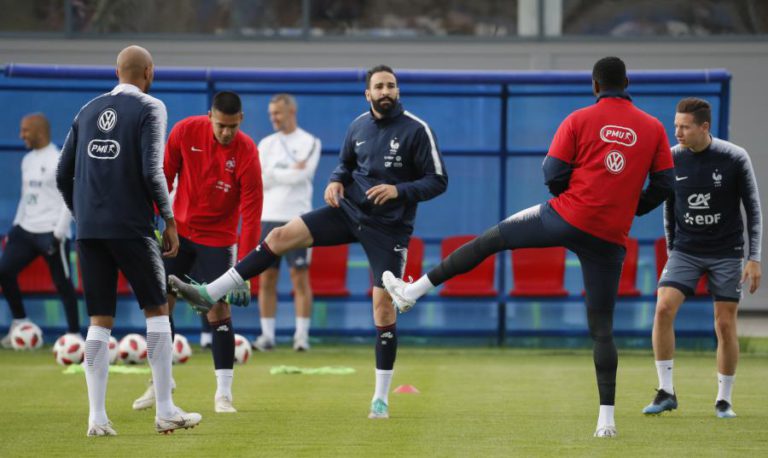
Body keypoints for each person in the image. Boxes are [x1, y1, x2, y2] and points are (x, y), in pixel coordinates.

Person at [382, 56, 675, 438]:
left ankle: (412, 292)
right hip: (610, 236)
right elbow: (666, 184)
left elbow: (551, 171)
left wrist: (566, 198)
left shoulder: (578, 119)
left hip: (564, 215)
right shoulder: (653, 128)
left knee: (489, 241)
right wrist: (633, 208)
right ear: (627, 82)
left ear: (595, 85)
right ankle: (606, 422)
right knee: (602, 330)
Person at [169, 64, 448, 420]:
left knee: (383, 307)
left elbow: (438, 180)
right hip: (347, 213)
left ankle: (380, 399)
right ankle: (212, 291)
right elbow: (344, 167)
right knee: (280, 236)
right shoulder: (358, 126)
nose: (386, 91)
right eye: (379, 86)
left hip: (388, 229)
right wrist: (334, 182)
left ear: (397, 91)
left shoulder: (417, 130)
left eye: (391, 86)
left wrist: (398, 189)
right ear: (368, 93)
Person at [56, 45, 201, 436]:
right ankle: (166, 410)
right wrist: (168, 219)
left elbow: (62, 174)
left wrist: (82, 215)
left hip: (89, 231)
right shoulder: (151, 108)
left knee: (99, 323)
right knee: (156, 312)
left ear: (116, 71)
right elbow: (153, 171)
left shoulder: (86, 110)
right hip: (133, 228)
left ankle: (97, 418)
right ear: (149, 72)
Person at [132, 91, 263, 414]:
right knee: (160, 307)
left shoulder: (247, 152)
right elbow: (163, 178)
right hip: (179, 234)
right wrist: (159, 224)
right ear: (209, 117)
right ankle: (160, 382)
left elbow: (252, 214)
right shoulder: (184, 131)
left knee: (217, 311)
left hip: (218, 241)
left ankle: (223, 394)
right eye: (221, 125)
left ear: (241, 120)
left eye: (232, 126)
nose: (226, 132)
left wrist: (244, 272)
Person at [642, 98, 762, 419]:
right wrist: (672, 252)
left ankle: (724, 400)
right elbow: (669, 209)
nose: (678, 132)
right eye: (676, 126)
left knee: (724, 325)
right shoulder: (670, 158)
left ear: (704, 127)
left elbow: (753, 210)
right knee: (663, 307)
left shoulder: (734, 157)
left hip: (726, 252)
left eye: (684, 126)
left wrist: (754, 258)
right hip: (685, 250)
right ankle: (666, 391)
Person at [0, 113, 80, 347]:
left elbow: (69, 200)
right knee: (4, 272)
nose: (21, 135)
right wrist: (16, 226)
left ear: (40, 132)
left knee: (63, 283)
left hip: (51, 232)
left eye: (25, 130)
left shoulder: (59, 159)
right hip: (25, 230)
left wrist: (58, 234)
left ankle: (74, 336)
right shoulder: (27, 160)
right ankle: (20, 323)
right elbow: (27, 196)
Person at [252, 93, 320, 352]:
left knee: (299, 278)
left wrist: (275, 173)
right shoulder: (266, 144)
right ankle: (267, 336)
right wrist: (286, 173)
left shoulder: (310, 141)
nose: (273, 118)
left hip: (299, 218)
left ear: (291, 111)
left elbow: (303, 174)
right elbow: (261, 178)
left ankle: (301, 336)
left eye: (277, 113)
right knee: (267, 278)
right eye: (271, 114)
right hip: (267, 216)